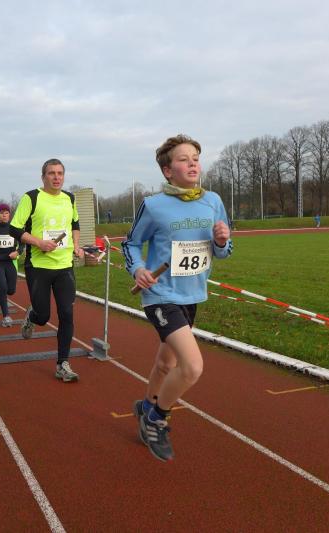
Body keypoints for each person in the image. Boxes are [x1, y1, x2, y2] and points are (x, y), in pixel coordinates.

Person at [123, 134, 232, 462]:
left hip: (191, 294)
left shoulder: (213, 201)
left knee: (166, 363)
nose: (193, 164)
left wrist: (222, 241)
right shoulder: (154, 205)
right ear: (168, 171)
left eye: (196, 158)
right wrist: (138, 269)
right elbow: (131, 244)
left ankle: (146, 405)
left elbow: (223, 251)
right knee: (192, 366)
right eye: (184, 159)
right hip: (160, 295)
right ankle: (156, 419)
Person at [9, 158, 85, 382]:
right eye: (51, 173)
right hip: (39, 266)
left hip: (64, 266)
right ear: (43, 177)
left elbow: (75, 224)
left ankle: (63, 364)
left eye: (60, 173)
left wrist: (77, 245)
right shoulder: (31, 197)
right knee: (43, 316)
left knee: (67, 314)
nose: (56, 177)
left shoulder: (69, 198)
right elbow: (15, 229)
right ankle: (32, 316)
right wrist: (39, 243)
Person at [0, 204, 24, 327]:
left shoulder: (15, 228)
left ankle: (7, 294)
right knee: (2, 287)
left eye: (6, 213)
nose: (4, 215)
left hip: (11, 262)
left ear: (9, 215)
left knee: (11, 290)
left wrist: (17, 252)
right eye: (1, 213)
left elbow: (23, 243)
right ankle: (6, 316)